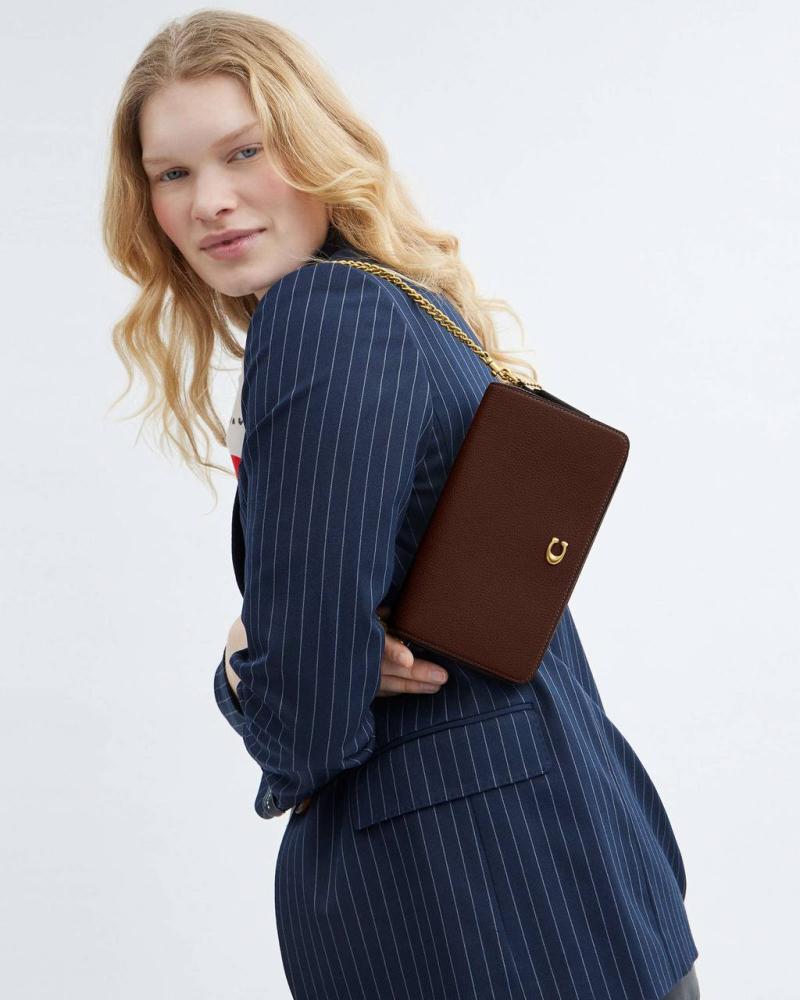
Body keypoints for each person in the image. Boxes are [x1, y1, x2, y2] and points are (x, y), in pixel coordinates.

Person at [102, 10, 700, 1000]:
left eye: (244, 151)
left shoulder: (320, 316)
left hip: (476, 922)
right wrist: (314, 650)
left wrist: (245, 658)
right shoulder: (411, 307)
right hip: (584, 899)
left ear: (312, 145)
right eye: (171, 174)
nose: (210, 201)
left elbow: (304, 718)